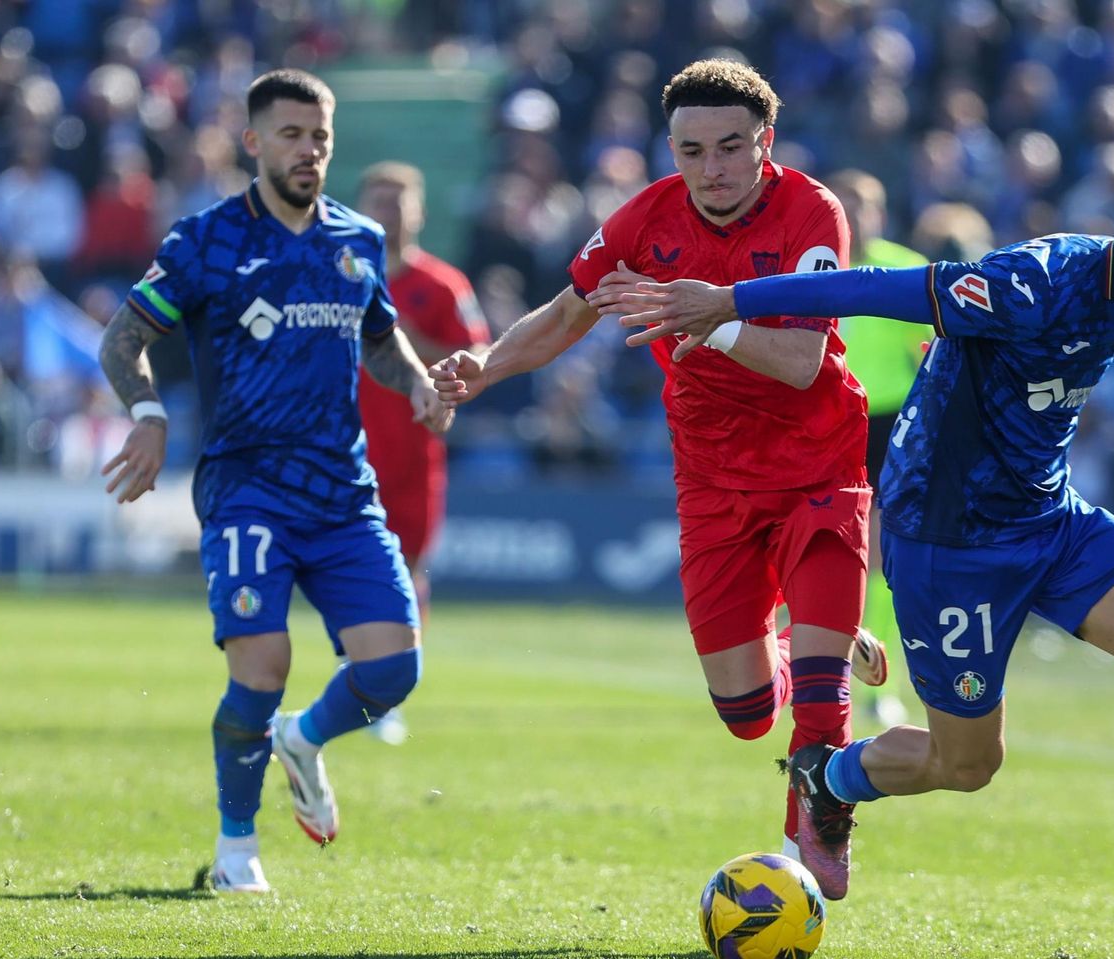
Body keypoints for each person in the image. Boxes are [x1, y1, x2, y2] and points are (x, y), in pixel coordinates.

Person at [592, 175, 1114, 958]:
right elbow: (882, 288)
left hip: (1049, 520)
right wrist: (731, 301)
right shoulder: (1034, 281)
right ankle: (828, 779)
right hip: (952, 545)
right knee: (967, 763)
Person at [429, 58, 887, 900]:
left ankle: (815, 833)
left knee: (819, 712)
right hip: (713, 482)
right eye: (690, 150)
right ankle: (808, 640)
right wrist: (488, 366)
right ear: (669, 149)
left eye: (729, 147)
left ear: (765, 143)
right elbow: (570, 313)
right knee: (747, 714)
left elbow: (800, 358)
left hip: (817, 466)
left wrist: (708, 315)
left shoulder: (811, 212)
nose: (711, 168)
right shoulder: (644, 219)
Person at [98, 69, 452, 893]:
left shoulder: (357, 240)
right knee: (260, 665)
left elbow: (379, 341)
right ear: (254, 141)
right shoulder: (206, 239)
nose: (308, 151)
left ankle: (305, 738)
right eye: (290, 135)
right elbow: (123, 339)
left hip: (342, 493)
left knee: (395, 669)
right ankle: (234, 851)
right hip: (247, 487)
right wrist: (148, 415)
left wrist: (418, 384)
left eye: (320, 136)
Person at [355, 161, 492, 743]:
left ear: (419, 212)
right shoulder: (337, 276)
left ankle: (387, 693)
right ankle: (361, 677)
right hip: (341, 450)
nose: (388, 209)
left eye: (399, 199)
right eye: (378, 198)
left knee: (406, 574)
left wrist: (410, 339)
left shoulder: (440, 286)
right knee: (350, 572)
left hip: (411, 452)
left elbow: (479, 357)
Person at [827, 169, 933, 727]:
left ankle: (874, 682)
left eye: (864, 205)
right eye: (845, 205)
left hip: (887, 423)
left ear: (881, 213)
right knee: (819, 543)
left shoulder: (905, 270)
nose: (856, 215)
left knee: (882, 553)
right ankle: (813, 660)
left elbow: (936, 358)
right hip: (822, 420)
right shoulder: (810, 268)